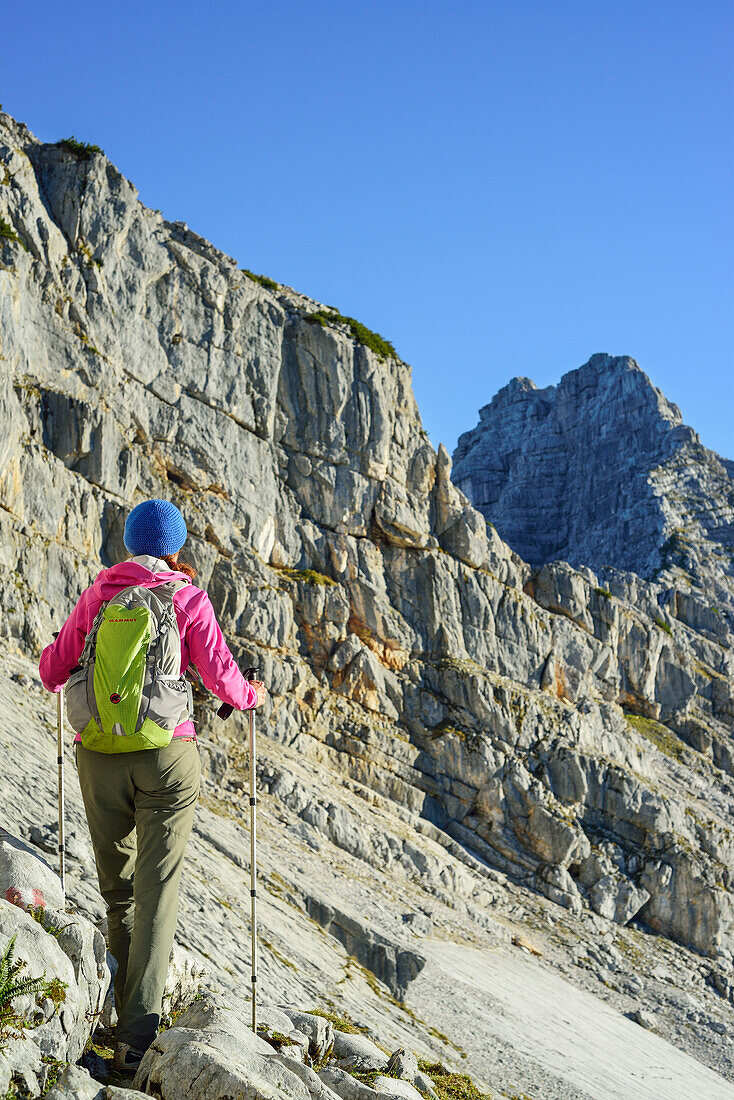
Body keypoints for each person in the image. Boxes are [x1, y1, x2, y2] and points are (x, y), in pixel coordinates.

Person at [38, 498, 266, 1071]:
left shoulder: (99, 595)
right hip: (167, 759)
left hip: (98, 757)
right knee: (156, 892)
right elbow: (222, 677)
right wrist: (252, 696)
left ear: (128, 545)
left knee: (117, 892)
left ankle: (118, 1016)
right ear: (176, 547)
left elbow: (51, 671)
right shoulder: (185, 595)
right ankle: (136, 1040)